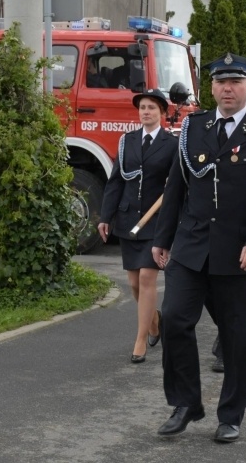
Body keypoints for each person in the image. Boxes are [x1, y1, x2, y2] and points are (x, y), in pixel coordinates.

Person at [151, 53, 246, 443]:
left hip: (239, 252)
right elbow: (175, 188)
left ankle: (231, 415)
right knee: (175, 320)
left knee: (235, 340)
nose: (227, 89)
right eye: (220, 83)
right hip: (191, 247)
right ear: (211, 88)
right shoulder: (194, 128)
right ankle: (185, 404)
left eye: (236, 82)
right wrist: (162, 240)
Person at [98, 88, 176, 363]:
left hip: (156, 221)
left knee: (146, 278)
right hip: (129, 218)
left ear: (162, 114)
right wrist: (105, 216)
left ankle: (140, 340)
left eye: (152, 108)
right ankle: (154, 323)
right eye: (142, 107)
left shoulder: (172, 144)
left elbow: (177, 187)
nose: (146, 112)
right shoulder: (127, 141)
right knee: (133, 282)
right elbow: (116, 180)